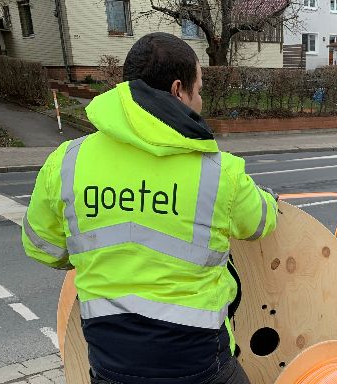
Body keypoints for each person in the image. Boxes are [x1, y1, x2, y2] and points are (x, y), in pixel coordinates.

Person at [22, 32, 279, 384]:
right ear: (178, 90)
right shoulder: (220, 173)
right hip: (197, 366)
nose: (201, 101)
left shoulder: (66, 161)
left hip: (112, 366)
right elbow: (259, 223)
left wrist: (93, 253)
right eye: (199, 90)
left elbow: (42, 247)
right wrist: (269, 199)